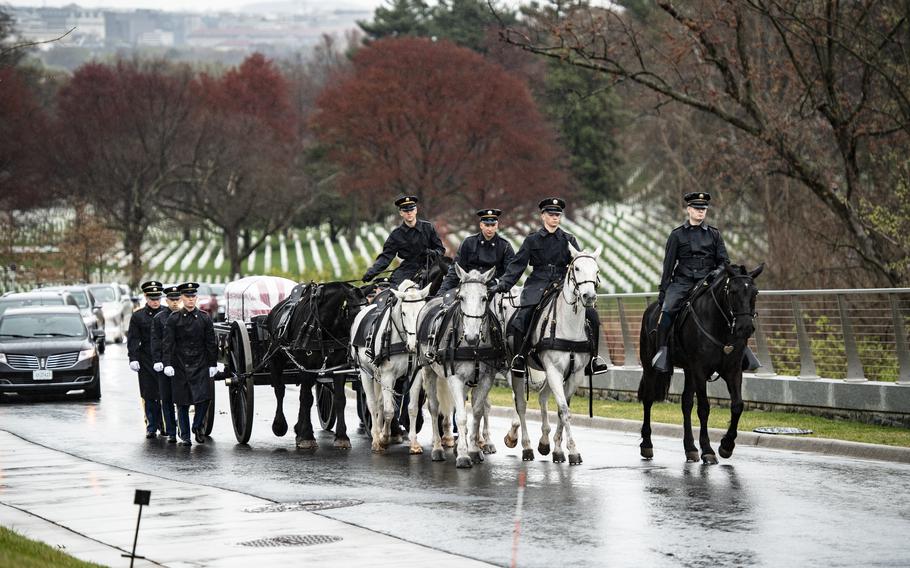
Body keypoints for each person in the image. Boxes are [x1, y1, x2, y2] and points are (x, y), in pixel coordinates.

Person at [493, 198, 608, 377]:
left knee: (592, 315)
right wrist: (503, 284)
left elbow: (579, 263)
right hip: (538, 283)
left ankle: (593, 358)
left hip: (562, 284)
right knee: (523, 316)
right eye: (551, 214)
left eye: (557, 215)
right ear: (543, 216)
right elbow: (518, 265)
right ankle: (520, 357)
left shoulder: (568, 239)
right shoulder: (532, 240)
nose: (555, 218)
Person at [162, 282, 217, 446]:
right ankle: (185, 435)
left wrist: (212, 364)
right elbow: (168, 343)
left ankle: (197, 426)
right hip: (180, 364)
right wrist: (167, 363)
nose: (191, 300)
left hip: (200, 363)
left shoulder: (204, 318)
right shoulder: (174, 319)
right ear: (182, 299)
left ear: (196, 298)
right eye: (187, 297)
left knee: (204, 398)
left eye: (193, 296)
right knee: (182, 402)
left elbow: (210, 342)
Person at [361, 195, 446, 288]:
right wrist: (371, 273)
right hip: (408, 269)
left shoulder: (428, 227)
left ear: (416, 211)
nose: (409, 213)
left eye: (411, 210)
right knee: (394, 289)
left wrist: (433, 253)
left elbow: (441, 249)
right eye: (406, 211)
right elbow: (385, 257)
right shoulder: (396, 235)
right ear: (401, 213)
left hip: (430, 264)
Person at [438, 208, 515, 296]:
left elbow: (510, 273)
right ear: (481, 225)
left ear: (497, 225)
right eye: (487, 225)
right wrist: (441, 293)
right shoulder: (468, 243)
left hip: (494, 291)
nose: (490, 229)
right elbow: (455, 270)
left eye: (493, 225)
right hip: (469, 288)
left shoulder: (505, 246)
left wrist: (499, 285)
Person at [127, 281, 166, 438]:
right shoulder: (138, 316)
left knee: (165, 393)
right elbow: (133, 339)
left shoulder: (166, 313)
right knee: (149, 393)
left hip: (164, 358)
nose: (155, 301)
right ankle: (151, 424)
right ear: (146, 297)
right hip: (146, 359)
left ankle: (165, 424)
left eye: (157, 298)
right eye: (152, 298)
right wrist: (133, 357)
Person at [151, 285, 181, 443]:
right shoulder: (159, 318)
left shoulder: (185, 316)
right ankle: (171, 431)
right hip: (164, 363)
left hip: (182, 363)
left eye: (177, 299)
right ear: (166, 300)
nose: (175, 303)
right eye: (172, 300)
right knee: (167, 399)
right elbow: (155, 341)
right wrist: (157, 361)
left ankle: (183, 429)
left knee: (182, 399)